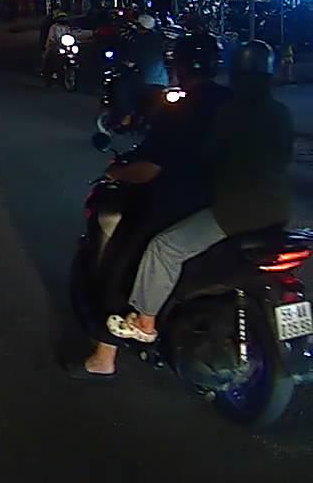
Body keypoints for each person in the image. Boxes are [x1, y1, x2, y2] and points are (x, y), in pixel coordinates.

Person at [107, 41, 294, 344]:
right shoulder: (281, 112)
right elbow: (284, 155)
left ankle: (145, 322)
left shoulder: (231, 113)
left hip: (235, 210)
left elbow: (208, 156)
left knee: (163, 248)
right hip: (278, 209)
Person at [70, 33, 232, 378]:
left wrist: (116, 172)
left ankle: (104, 358)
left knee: (119, 263)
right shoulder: (229, 101)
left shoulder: (181, 108)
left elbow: (150, 168)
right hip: (221, 202)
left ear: (179, 66)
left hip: (176, 203)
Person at [112, 14, 170, 127]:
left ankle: (127, 116)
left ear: (140, 26)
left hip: (144, 81)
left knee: (121, 87)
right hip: (162, 82)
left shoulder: (139, 40)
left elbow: (131, 60)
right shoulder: (160, 39)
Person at [41, 10, 70, 77]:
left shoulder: (67, 27)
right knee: (50, 55)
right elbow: (51, 37)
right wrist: (55, 42)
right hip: (55, 45)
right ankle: (49, 70)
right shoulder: (53, 27)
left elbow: (70, 35)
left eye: (64, 17)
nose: (63, 19)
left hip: (65, 45)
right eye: (61, 17)